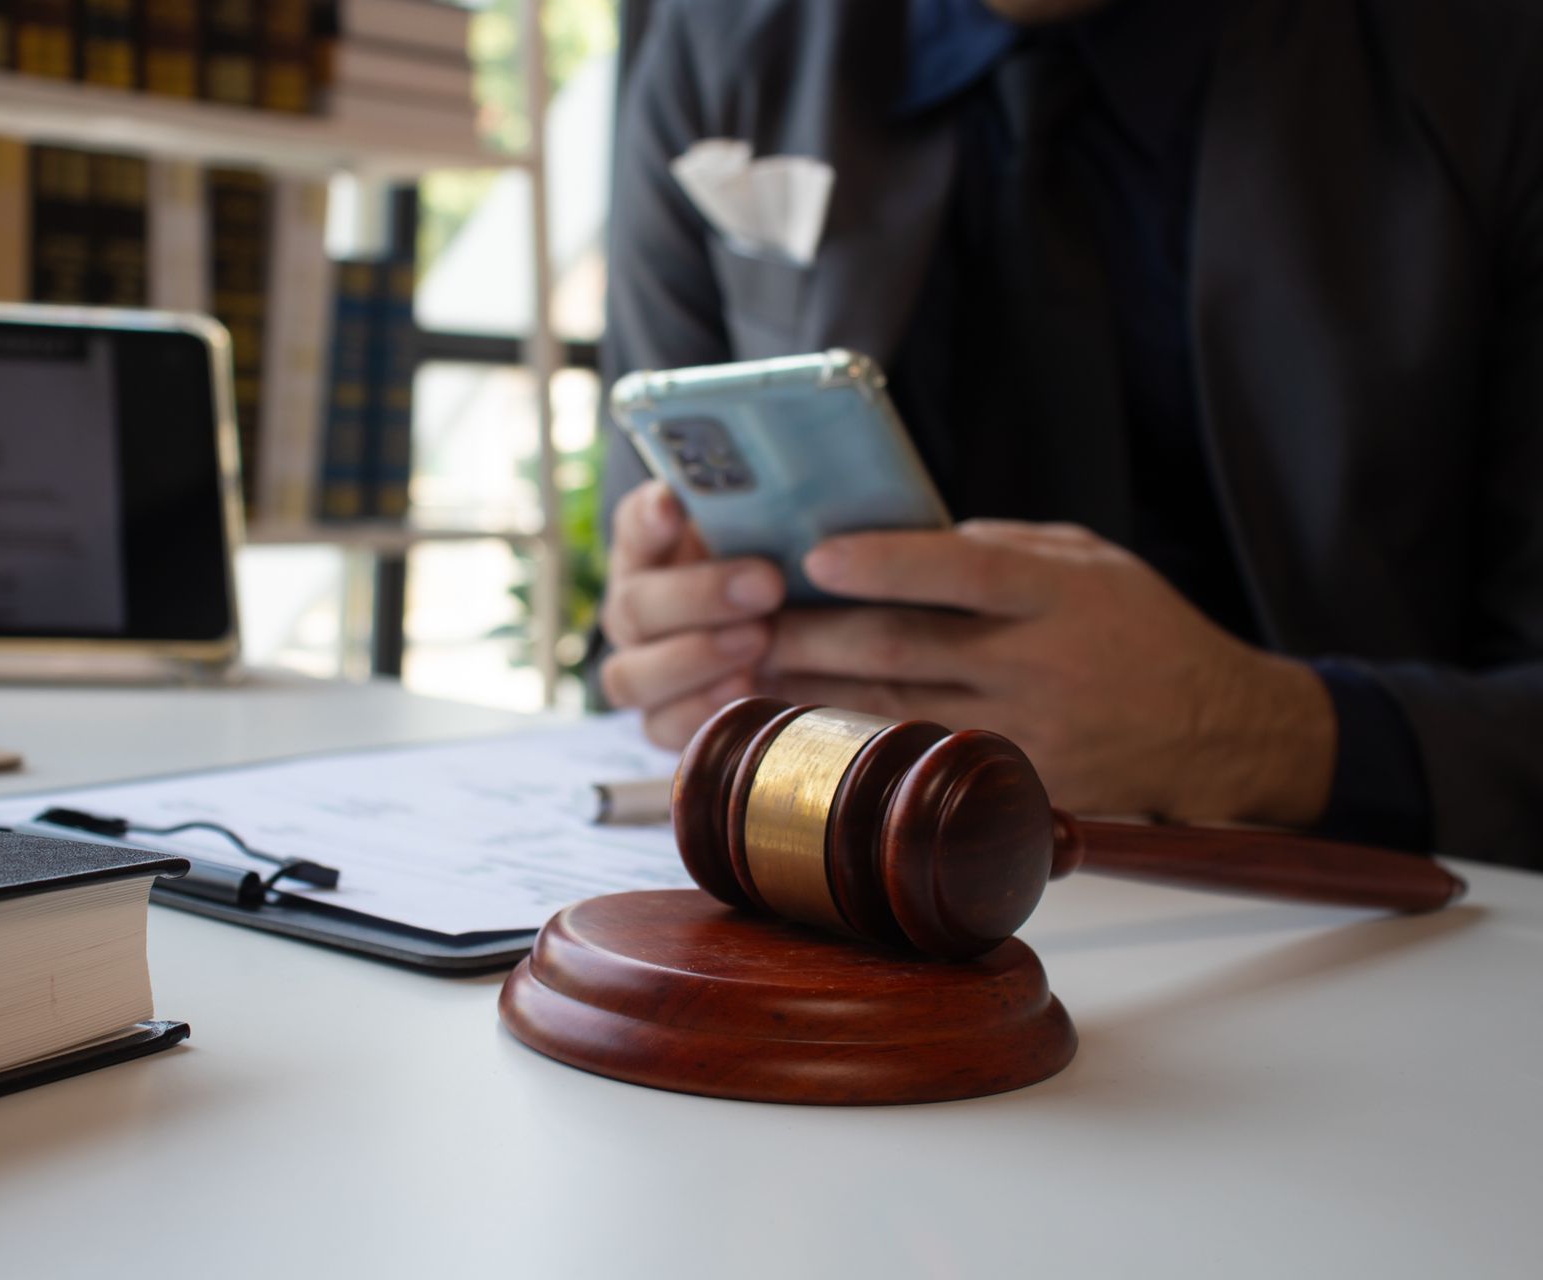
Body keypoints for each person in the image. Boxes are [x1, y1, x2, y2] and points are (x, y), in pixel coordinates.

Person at [594, 0, 1543, 867]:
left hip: (1384, 913)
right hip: (854, 885)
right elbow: (643, 578)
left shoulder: (1489, 54)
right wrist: (688, 647)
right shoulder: (716, 38)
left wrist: (1251, 731)